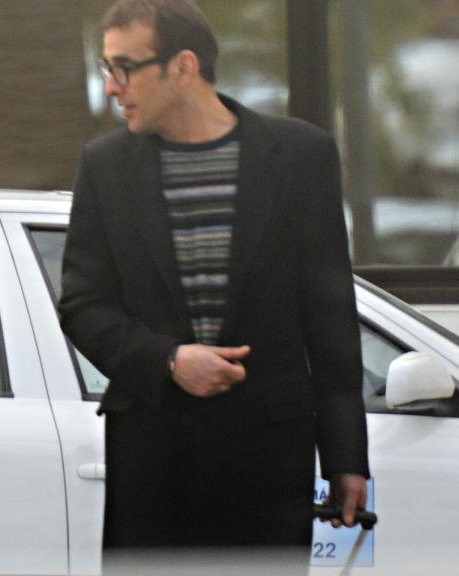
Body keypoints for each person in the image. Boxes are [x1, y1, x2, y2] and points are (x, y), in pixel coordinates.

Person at [58, 0, 370, 560]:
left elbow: (329, 316)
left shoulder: (301, 155)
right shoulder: (104, 167)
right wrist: (170, 360)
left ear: (182, 67)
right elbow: (83, 305)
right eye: (107, 69)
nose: (111, 87)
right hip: (152, 458)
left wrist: (346, 456)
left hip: (269, 459)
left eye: (123, 68)